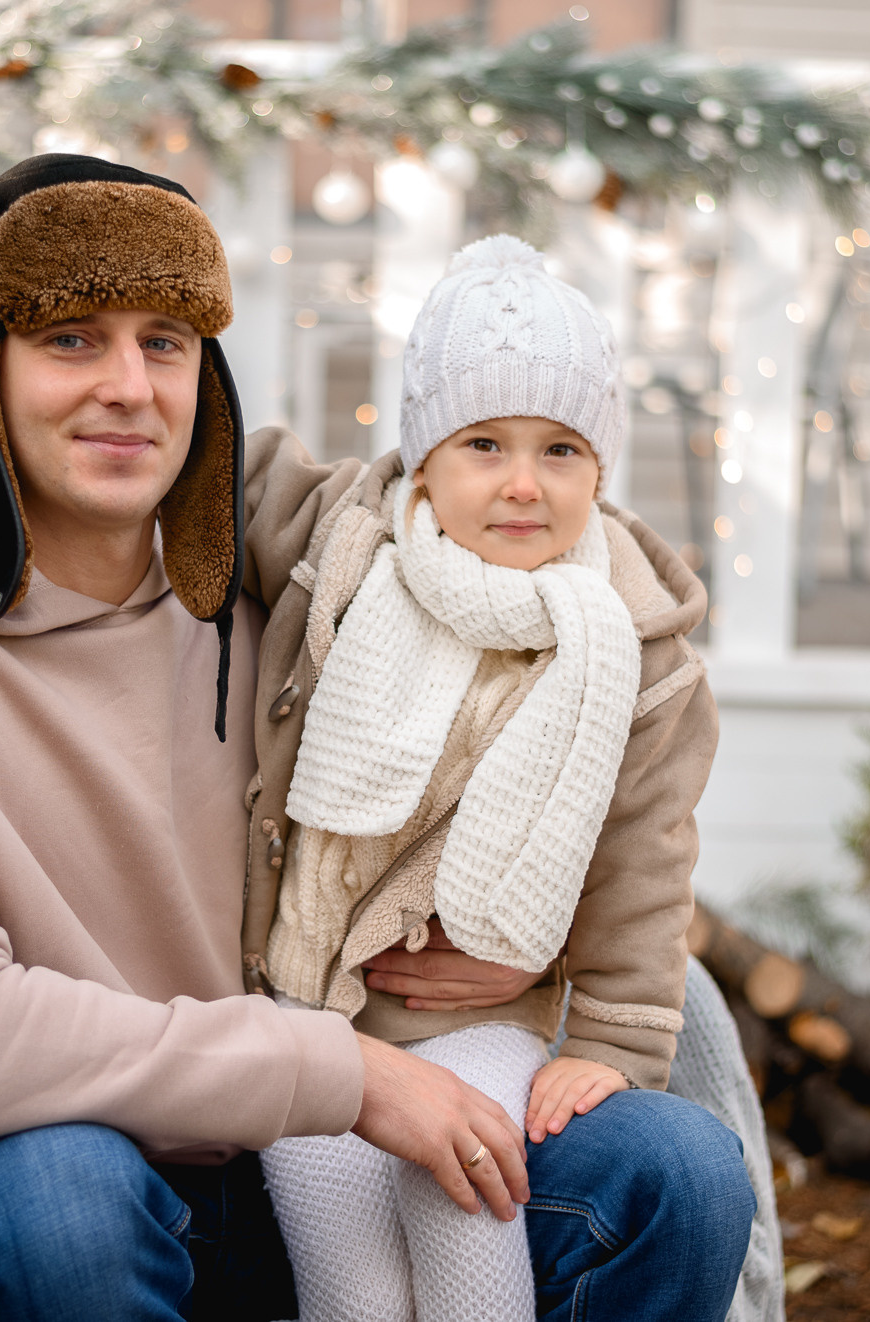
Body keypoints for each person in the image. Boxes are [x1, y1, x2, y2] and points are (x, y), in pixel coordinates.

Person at [0, 153, 751, 1322]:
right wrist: (341, 1076)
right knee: (58, 1200)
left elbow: (541, 572)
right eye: (70, 337)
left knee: (677, 1173)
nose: (129, 385)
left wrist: (517, 936)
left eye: (166, 341)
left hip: (337, 1157)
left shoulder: (306, 577)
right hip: (95, 1184)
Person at [243, 235, 738, 1321]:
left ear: (601, 470)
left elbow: (645, 855)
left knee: (463, 1190)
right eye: (483, 443)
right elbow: (217, 454)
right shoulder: (351, 547)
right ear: (423, 459)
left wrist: (611, 1036)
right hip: (308, 1005)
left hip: (475, 1019)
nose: (523, 482)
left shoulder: (629, 646)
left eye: (561, 449)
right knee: (340, 1248)